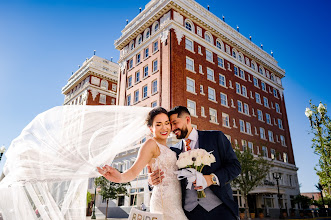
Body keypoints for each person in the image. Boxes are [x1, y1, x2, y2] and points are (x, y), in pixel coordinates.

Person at [148, 106, 241, 220]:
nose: (172, 128)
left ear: (187, 120)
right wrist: (151, 181)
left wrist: (211, 179)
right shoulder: (173, 151)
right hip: (189, 213)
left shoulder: (215, 137)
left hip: (220, 210)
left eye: (175, 123)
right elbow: (167, 178)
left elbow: (235, 166)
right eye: (170, 124)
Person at [97, 107, 188, 220]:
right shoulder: (150, 144)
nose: (164, 128)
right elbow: (133, 171)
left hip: (176, 202)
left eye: (167, 123)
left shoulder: (170, 149)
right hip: (164, 203)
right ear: (151, 128)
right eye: (158, 124)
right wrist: (119, 177)